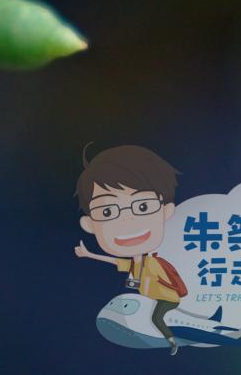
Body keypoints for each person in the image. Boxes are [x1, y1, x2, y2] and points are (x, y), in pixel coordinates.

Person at [76, 145, 190, 352]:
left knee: (155, 317)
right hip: (150, 299)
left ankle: (172, 341)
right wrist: (88, 254)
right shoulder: (134, 264)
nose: (127, 219)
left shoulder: (153, 261)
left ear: (166, 211)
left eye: (142, 206)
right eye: (108, 211)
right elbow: (113, 261)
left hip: (168, 299)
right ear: (89, 224)